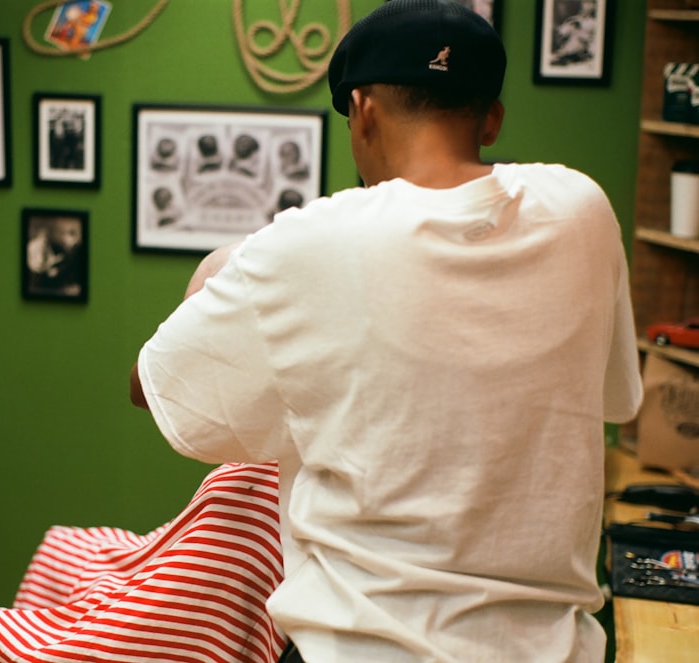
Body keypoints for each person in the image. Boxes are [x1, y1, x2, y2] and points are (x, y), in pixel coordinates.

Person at [129, 1, 643, 662]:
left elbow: (154, 385)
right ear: (491, 117)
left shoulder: (306, 245)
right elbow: (612, 398)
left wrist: (218, 270)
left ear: (362, 109)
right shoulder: (584, 210)